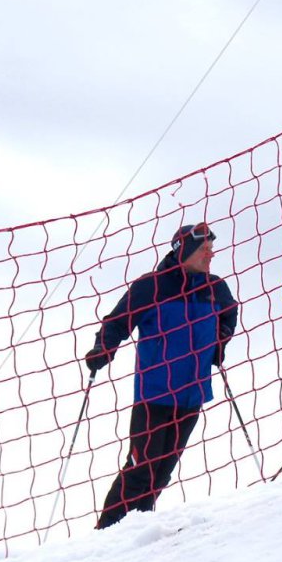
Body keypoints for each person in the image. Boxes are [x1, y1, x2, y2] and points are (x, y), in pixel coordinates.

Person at [84, 223, 236, 529]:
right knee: (141, 468)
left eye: (211, 248)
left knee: (163, 470)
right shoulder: (151, 286)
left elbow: (229, 314)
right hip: (154, 395)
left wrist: (219, 343)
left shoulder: (215, 288)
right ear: (185, 251)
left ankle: (138, 530)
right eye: (204, 249)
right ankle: (107, 532)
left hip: (192, 395)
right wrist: (104, 347)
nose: (211, 254)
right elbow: (116, 322)